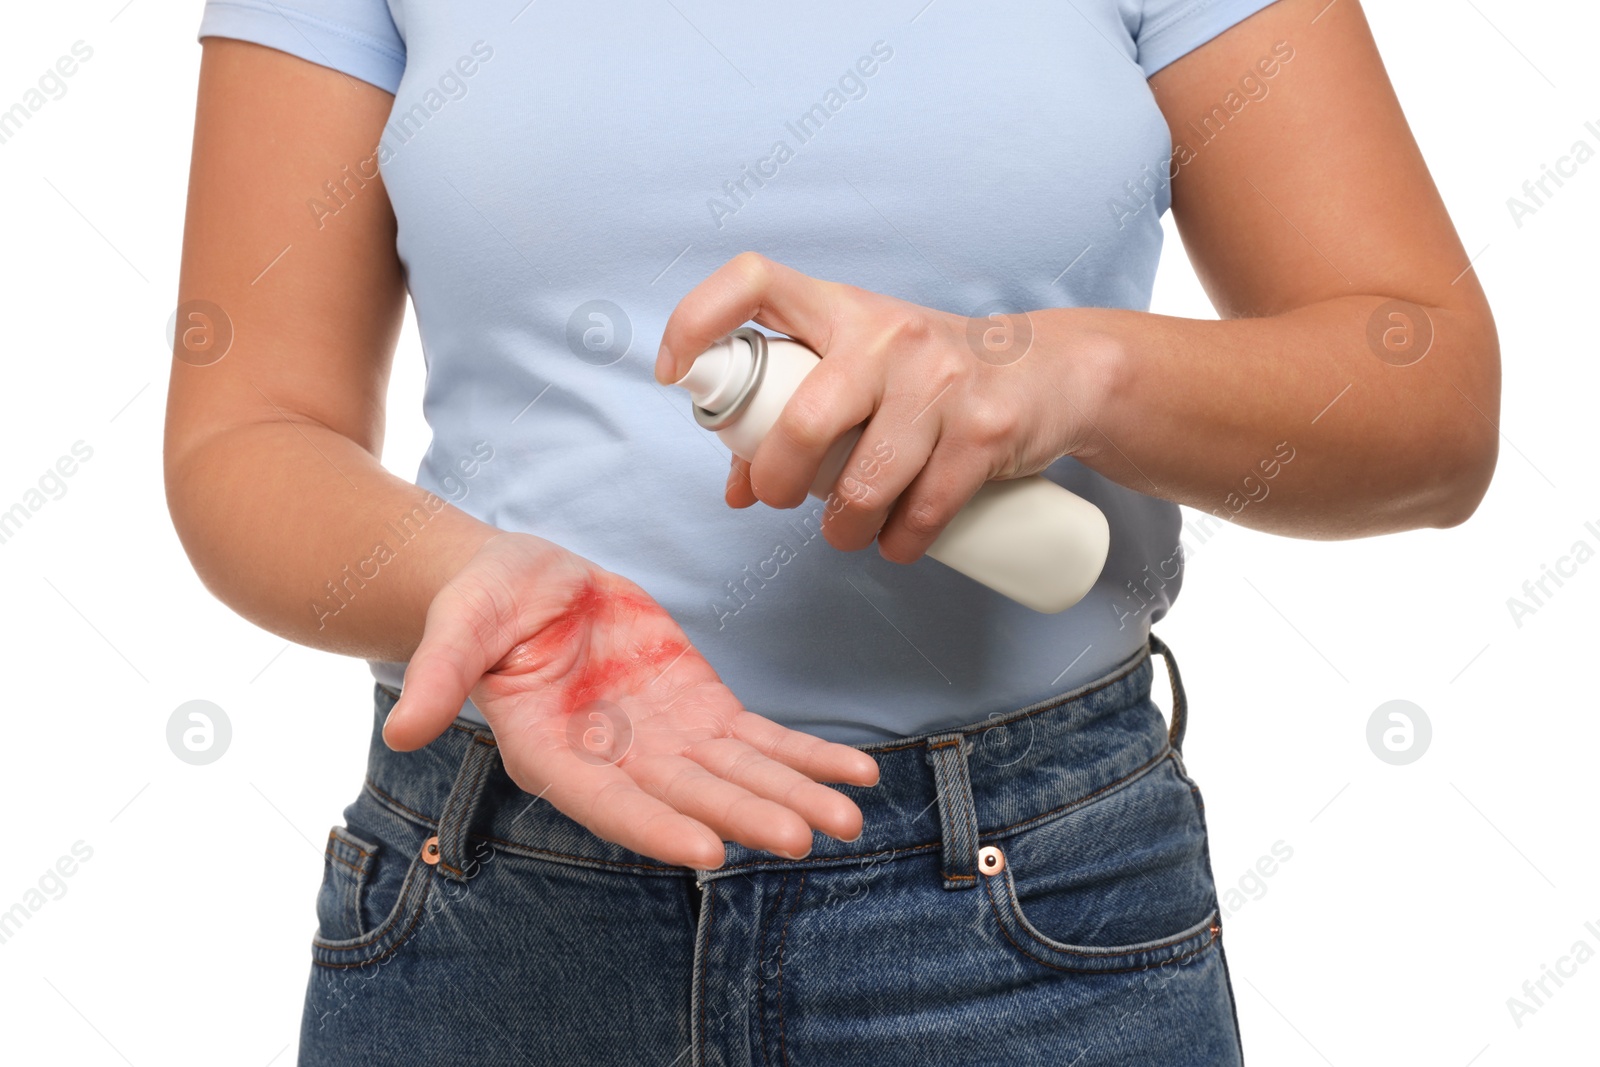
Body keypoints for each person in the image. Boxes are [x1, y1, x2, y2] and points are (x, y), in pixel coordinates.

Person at [165, 1, 1497, 1062]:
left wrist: (1068, 370)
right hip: (496, 895)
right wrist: (473, 582)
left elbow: (1429, 405)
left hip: (1031, 905)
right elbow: (247, 431)